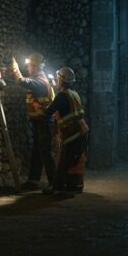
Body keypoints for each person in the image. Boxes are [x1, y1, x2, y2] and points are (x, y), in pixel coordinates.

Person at [10, 52, 57, 193]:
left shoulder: (39, 82)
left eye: (30, 66)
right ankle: (33, 181)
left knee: (46, 153)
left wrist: (14, 67)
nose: (28, 68)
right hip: (40, 122)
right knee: (38, 152)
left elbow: (22, 81)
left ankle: (54, 183)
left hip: (44, 122)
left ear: (35, 67)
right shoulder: (39, 79)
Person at [44, 66, 89, 199]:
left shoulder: (61, 96)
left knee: (66, 160)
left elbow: (49, 111)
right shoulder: (73, 94)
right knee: (75, 159)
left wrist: (41, 112)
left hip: (73, 133)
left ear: (61, 81)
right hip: (82, 130)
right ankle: (73, 187)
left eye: (58, 80)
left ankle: (63, 188)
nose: (56, 82)